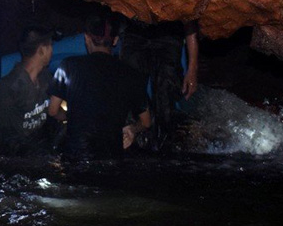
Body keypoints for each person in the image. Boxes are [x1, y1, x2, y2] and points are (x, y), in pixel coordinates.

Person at [47, 13, 151, 160]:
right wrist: (132, 129)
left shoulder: (67, 66)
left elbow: (52, 111)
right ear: (115, 40)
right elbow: (146, 122)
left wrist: (71, 117)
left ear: (87, 38)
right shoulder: (132, 74)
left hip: (76, 155)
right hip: (111, 155)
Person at [0, 26, 54, 157]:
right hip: (15, 152)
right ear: (42, 50)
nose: (52, 51)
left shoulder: (45, 76)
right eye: (50, 46)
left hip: (37, 144)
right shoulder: (11, 85)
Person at [120, 19, 199, 149]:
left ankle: (167, 144)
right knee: (129, 88)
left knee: (165, 95)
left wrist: (192, 68)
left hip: (169, 33)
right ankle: (131, 136)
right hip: (137, 31)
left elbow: (190, 18)